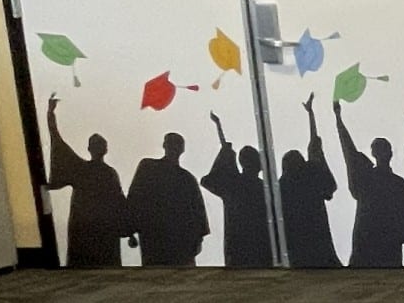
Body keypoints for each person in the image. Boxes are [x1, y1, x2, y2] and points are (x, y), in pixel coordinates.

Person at [336, 98, 404, 268]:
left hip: (373, 235)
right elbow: (349, 150)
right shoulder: (395, 183)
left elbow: (349, 151)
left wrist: (338, 119)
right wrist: (338, 119)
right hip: (379, 237)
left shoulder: (370, 179)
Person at [42, 96, 132, 267]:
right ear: (105, 150)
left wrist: (50, 113)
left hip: (85, 227)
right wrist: (129, 230)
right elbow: (119, 202)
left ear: (90, 149)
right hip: (103, 229)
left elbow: (57, 140)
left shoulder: (81, 170)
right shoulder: (108, 173)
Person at [123, 131, 211, 268]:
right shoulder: (185, 178)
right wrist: (129, 230)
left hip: (168, 240)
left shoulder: (151, 169)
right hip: (160, 239)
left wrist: (129, 230)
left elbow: (134, 198)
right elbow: (135, 198)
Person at [276, 97, 341, 269]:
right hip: (316, 238)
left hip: (298, 243)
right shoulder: (310, 175)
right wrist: (311, 115)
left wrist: (311, 115)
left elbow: (314, 148)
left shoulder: (283, 185)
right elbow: (315, 149)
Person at [202, 113, 272, 268]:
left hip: (238, 249)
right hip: (260, 249)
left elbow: (211, 178)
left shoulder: (233, 184)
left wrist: (223, 144)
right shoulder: (264, 189)